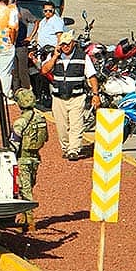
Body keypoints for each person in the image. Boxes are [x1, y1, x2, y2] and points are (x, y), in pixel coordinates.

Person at [40, 30, 100, 161]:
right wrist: (55, 57)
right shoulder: (54, 55)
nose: (65, 47)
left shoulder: (83, 57)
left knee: (76, 124)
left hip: (77, 97)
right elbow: (44, 70)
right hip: (58, 97)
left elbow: (92, 77)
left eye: (67, 44)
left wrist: (96, 94)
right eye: (63, 44)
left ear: (73, 43)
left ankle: (74, 149)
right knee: (61, 127)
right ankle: (66, 148)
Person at [11, 88, 48, 232]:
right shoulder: (41, 118)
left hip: (22, 159)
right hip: (35, 158)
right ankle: (25, 217)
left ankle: (30, 222)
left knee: (25, 191)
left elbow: (14, 142)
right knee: (29, 187)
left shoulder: (20, 122)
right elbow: (45, 138)